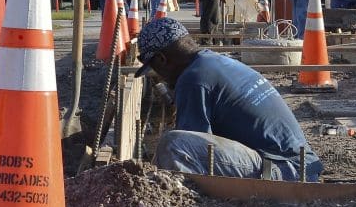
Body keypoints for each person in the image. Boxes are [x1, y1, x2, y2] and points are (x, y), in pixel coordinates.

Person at [137, 17, 323, 181]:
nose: (159, 77)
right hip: (301, 164)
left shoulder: (193, 80)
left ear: (161, 59)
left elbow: (190, 146)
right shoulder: (213, 62)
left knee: (174, 145)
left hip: (285, 171)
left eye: (155, 69)